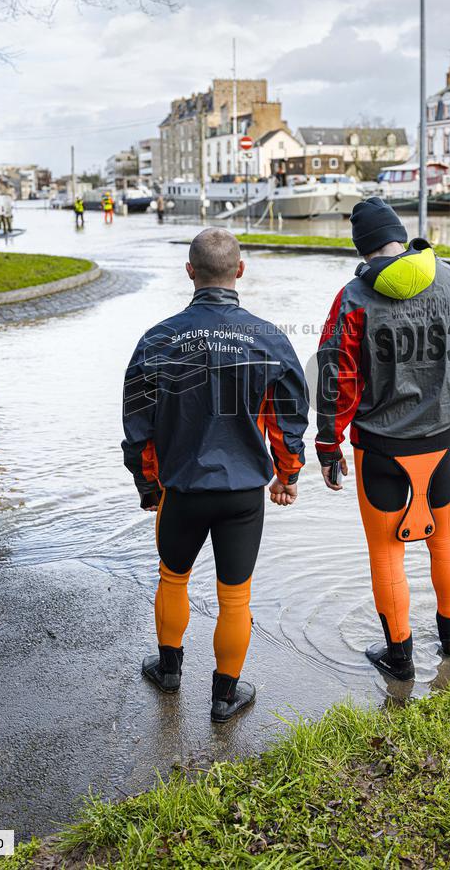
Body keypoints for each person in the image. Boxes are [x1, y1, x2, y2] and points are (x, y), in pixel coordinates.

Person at [122, 228, 309, 721]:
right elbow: (290, 416)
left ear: (190, 272)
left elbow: (137, 422)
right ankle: (225, 697)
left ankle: (168, 672)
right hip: (243, 491)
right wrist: (287, 474)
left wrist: (147, 486)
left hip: (181, 489)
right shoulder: (268, 338)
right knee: (235, 595)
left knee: (173, 578)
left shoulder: (157, 338)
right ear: (240, 271)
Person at [315, 197, 450, 681]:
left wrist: (328, 447)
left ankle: (400, 660)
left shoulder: (354, 300)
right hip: (441, 443)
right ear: (400, 235)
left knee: (386, 552)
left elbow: (338, 377)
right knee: (446, 541)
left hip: (381, 449)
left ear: (363, 247)